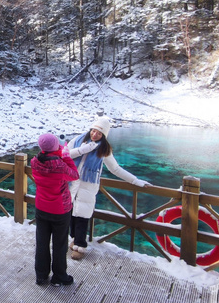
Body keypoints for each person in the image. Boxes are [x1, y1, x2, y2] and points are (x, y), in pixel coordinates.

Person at [67, 116, 151, 260]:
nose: (95, 134)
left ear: (103, 136)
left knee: (82, 216)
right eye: (93, 131)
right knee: (71, 215)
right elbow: (65, 155)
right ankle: (73, 239)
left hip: (88, 186)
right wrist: (82, 150)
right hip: (71, 183)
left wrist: (135, 181)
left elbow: (116, 169)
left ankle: (80, 246)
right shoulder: (77, 140)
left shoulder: (104, 149)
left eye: (99, 133)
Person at [31, 133, 80, 286]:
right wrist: (66, 156)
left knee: (42, 242)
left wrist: (57, 151)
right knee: (59, 244)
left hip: (41, 207)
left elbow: (48, 159)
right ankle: (59, 276)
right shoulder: (59, 164)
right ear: (55, 147)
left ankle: (41, 275)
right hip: (60, 209)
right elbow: (74, 175)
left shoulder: (34, 161)